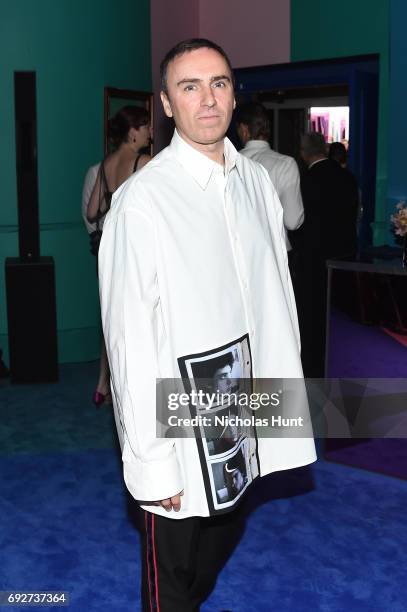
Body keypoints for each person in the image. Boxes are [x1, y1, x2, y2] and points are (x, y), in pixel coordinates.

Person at [98, 38, 316, 610]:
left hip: (243, 401)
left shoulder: (256, 183)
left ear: (234, 93)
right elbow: (129, 341)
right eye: (188, 87)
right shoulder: (143, 201)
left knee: (223, 532)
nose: (207, 99)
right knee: (171, 575)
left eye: (218, 83)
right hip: (177, 413)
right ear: (166, 103)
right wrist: (152, 462)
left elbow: (276, 300)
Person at [82, 106, 152, 406]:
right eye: (146, 126)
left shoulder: (106, 163)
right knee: (144, 320)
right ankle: (137, 390)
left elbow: (91, 211)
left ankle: (105, 384)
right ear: (133, 131)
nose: (150, 131)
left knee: (114, 318)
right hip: (137, 249)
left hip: (110, 252)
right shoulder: (145, 162)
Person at [298, 132, 359, 377]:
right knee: (340, 318)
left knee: (314, 318)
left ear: (304, 154)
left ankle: (314, 368)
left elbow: (298, 220)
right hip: (344, 255)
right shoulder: (347, 177)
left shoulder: (306, 180)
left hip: (315, 259)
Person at [235, 102, 304, 253]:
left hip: (237, 254)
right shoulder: (285, 164)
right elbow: (292, 221)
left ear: (244, 129)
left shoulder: (226, 163)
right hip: (274, 253)